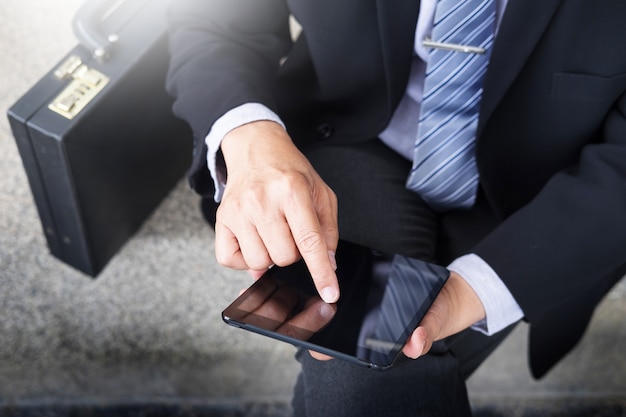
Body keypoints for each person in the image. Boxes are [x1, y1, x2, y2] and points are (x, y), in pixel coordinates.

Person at [166, 0, 626, 415]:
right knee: (362, 372)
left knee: (362, 376)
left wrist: (472, 292)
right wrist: (251, 138)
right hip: (355, 140)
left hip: (539, 198)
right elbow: (215, 18)